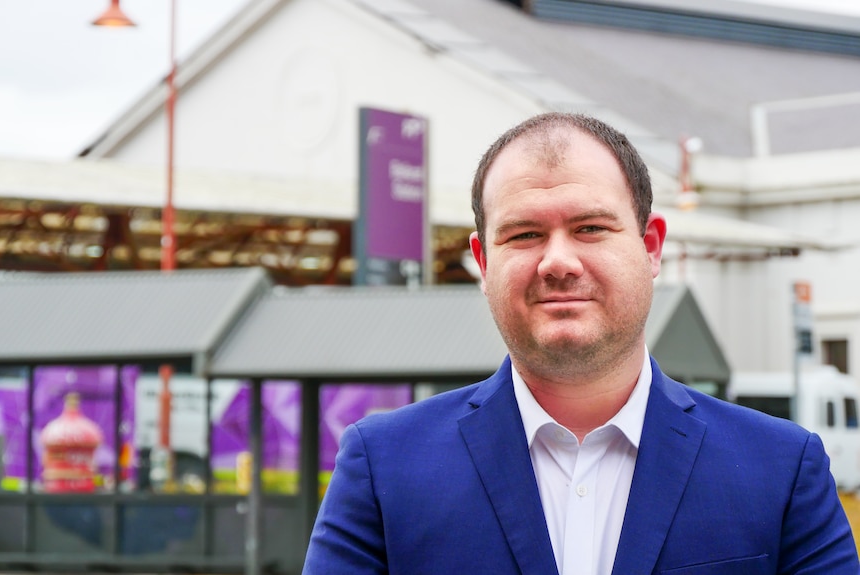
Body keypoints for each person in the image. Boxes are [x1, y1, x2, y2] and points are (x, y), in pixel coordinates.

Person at [303, 112, 859, 574]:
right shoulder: (384, 468)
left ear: (650, 247)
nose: (559, 262)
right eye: (524, 234)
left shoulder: (781, 470)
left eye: (591, 228)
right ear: (483, 260)